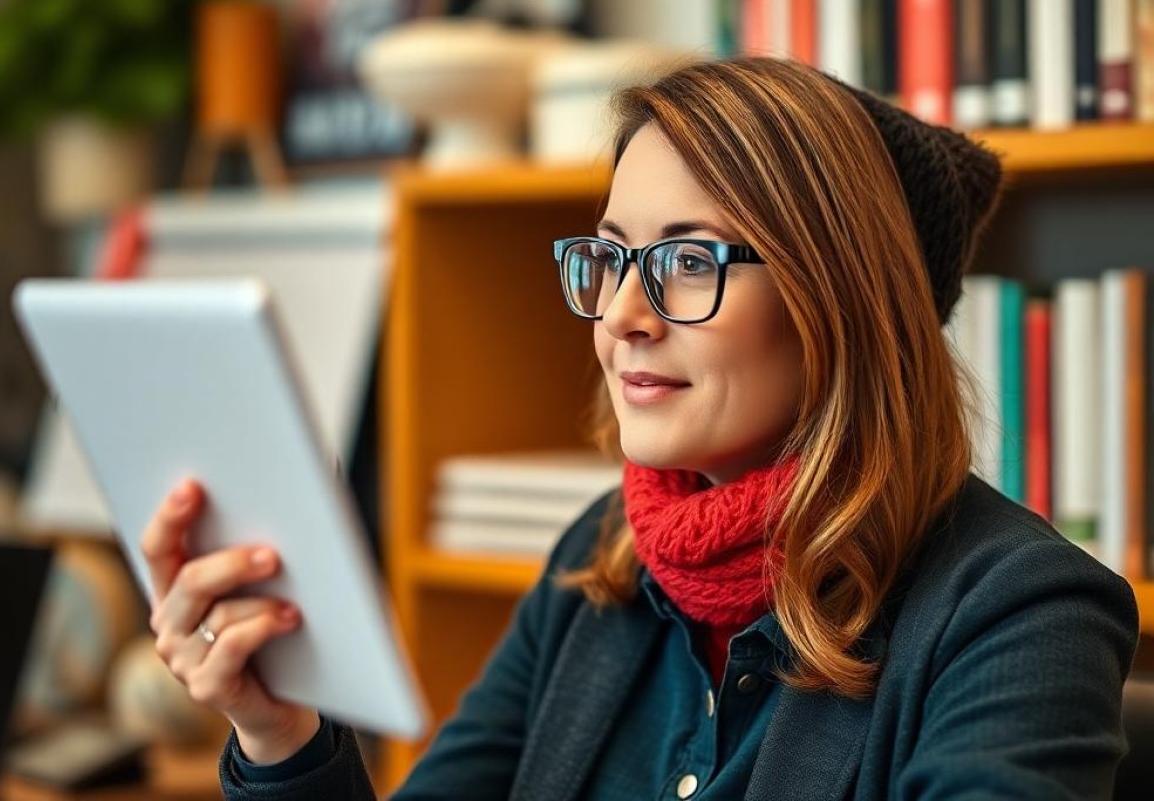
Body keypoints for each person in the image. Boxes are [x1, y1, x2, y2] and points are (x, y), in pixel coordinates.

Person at [142, 57, 1138, 799]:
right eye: (611, 258)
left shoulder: (1019, 611)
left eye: (690, 261)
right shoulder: (600, 563)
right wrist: (278, 731)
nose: (622, 312)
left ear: (840, 301)